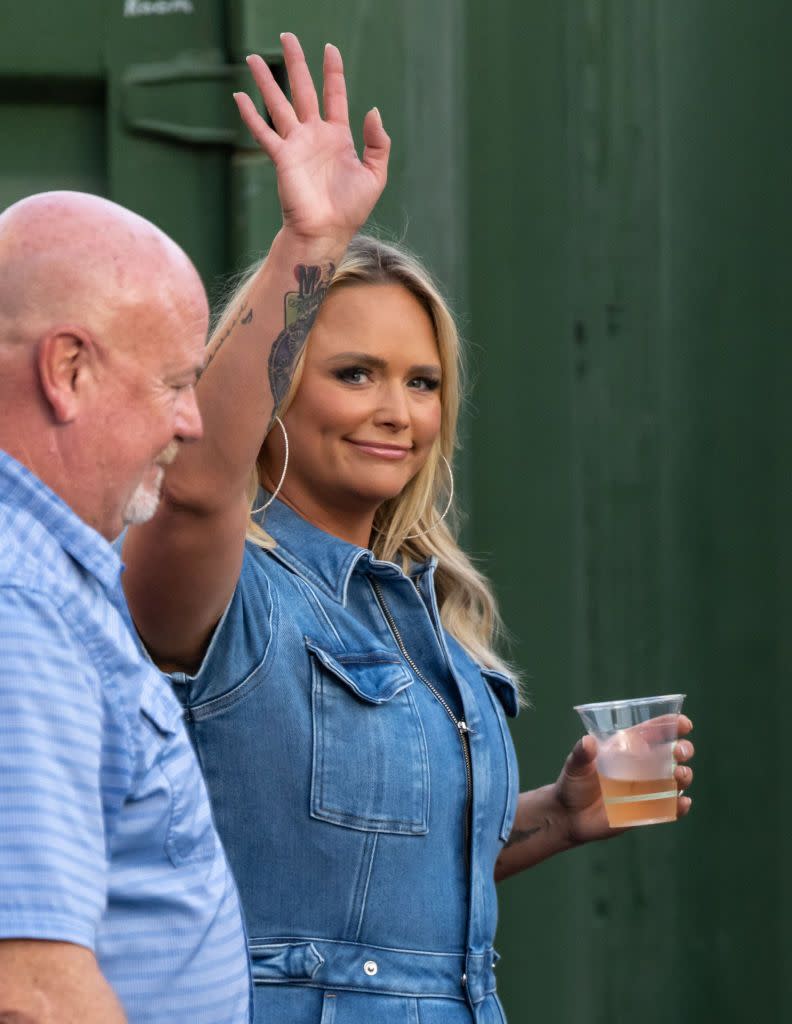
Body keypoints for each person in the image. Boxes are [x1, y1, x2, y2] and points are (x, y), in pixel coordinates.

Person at [121, 34, 695, 1024]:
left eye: (422, 382)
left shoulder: (421, 613)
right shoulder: (226, 586)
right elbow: (201, 481)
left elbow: (389, 897)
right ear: (282, 392)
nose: (398, 409)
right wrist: (307, 244)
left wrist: (559, 814)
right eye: (356, 374)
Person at [0, 192, 252, 1022]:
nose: (189, 420)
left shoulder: (52, 561)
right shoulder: (21, 605)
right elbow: (30, 992)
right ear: (67, 371)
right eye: (176, 383)